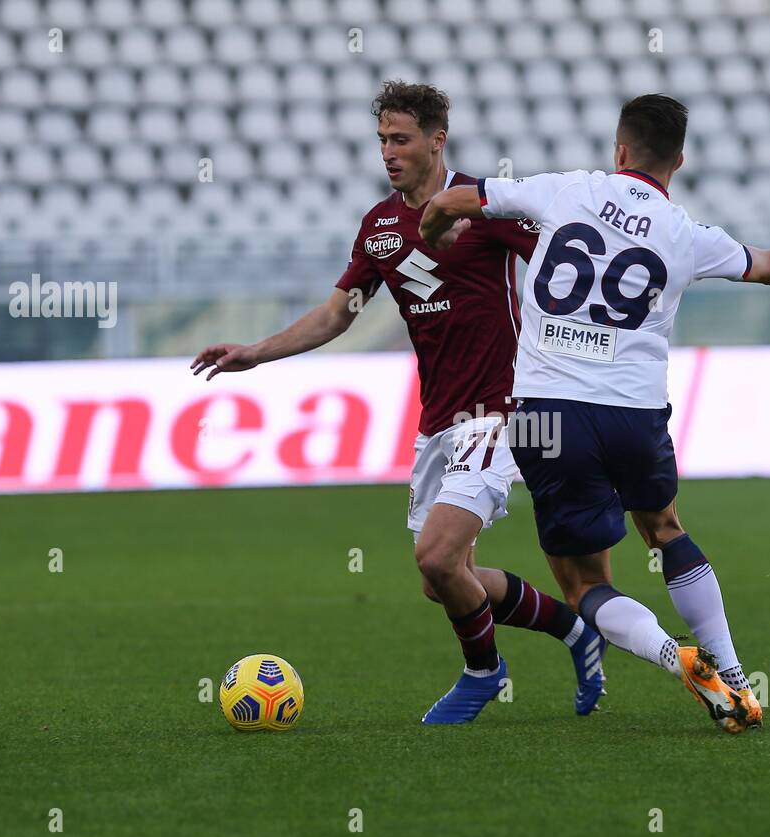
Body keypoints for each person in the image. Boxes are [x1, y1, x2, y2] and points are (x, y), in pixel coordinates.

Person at [419, 93, 770, 732]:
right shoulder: (686, 233)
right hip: (634, 413)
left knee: (582, 586)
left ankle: (674, 656)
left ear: (620, 150)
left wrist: (435, 231)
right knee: (664, 527)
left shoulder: (567, 191)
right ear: (680, 160)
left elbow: (449, 201)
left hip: (548, 415)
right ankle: (736, 673)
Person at [193, 81, 606, 724]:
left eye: (401, 139)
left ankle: (483, 674)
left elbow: (565, 265)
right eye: (383, 139)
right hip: (438, 421)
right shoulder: (380, 226)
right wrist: (256, 352)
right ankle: (576, 632)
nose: (388, 151)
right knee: (442, 579)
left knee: (437, 554)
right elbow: (339, 314)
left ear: (436, 140)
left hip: (499, 412)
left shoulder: (485, 206)